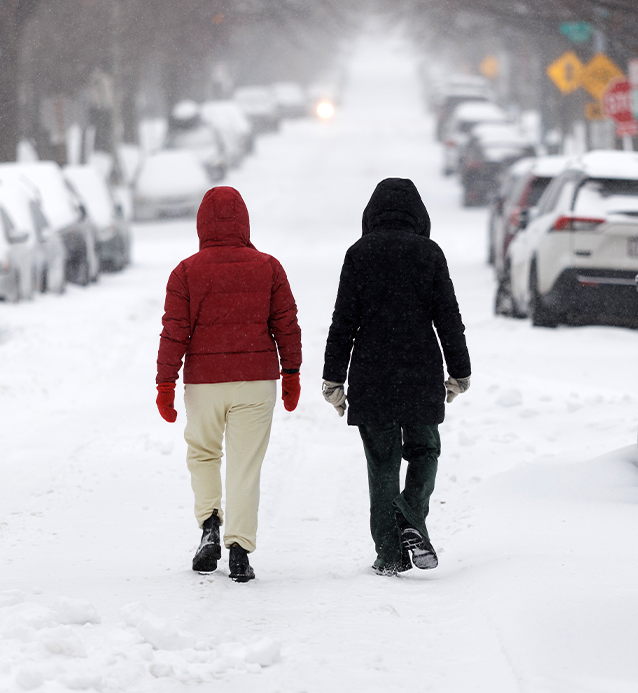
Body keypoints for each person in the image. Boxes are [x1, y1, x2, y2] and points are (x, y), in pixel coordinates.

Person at [321, 178, 471, 576]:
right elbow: (449, 318)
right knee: (425, 449)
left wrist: (333, 378)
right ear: (418, 216)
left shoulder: (358, 254)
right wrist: (460, 370)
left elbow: (343, 322)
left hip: (371, 374)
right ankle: (411, 511)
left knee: (382, 464)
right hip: (420, 370)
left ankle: (389, 554)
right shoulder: (429, 253)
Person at [155, 186, 301, 583]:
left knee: (203, 453)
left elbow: (174, 333)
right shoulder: (268, 268)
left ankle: (209, 526)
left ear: (202, 224)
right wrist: (291, 373)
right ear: (244, 223)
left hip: (204, 382)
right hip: (256, 381)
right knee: (245, 464)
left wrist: (165, 383)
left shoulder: (186, 272)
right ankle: (239, 550)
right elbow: (287, 325)